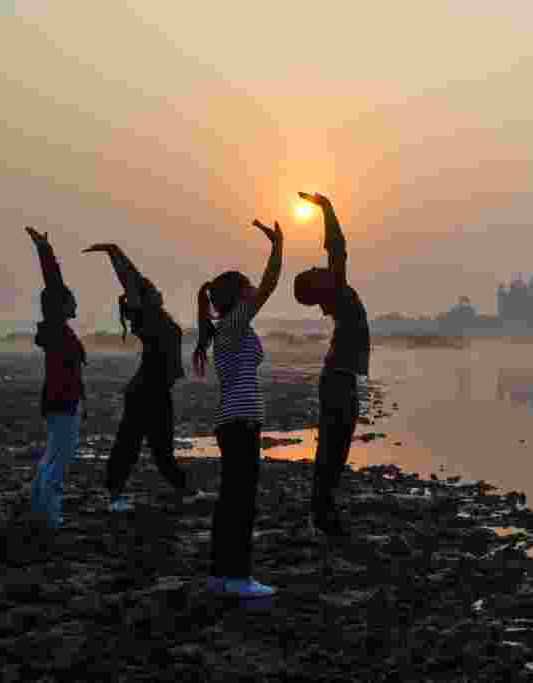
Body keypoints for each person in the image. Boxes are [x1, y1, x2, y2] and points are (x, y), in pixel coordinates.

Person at [193, 219, 283, 599]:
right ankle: (237, 578)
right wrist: (278, 247)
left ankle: (221, 574)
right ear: (238, 296)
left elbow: (262, 289)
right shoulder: (234, 322)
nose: (253, 293)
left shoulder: (230, 326)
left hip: (235, 420)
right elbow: (271, 285)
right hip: (239, 421)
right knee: (240, 502)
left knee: (233, 499)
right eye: (247, 289)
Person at [83, 243, 209, 512]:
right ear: (145, 298)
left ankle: (185, 490)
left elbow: (137, 283)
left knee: (160, 450)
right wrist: (114, 252)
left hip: (156, 391)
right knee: (128, 446)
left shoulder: (157, 316)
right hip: (145, 393)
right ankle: (115, 497)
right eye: (153, 290)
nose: (158, 291)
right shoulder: (146, 315)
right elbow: (132, 280)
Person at [293, 193, 370, 536]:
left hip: (339, 377)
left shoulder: (335, 293)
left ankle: (322, 511)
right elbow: (337, 247)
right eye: (314, 271)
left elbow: (336, 252)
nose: (318, 266)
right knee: (333, 450)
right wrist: (326, 208)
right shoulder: (336, 289)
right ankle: (322, 514)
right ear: (318, 285)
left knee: (334, 449)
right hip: (338, 380)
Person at [26, 226, 87, 530]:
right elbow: (53, 285)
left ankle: (40, 507)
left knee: (52, 456)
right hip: (62, 401)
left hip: (58, 400)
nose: (76, 302)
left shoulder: (57, 331)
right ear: (61, 306)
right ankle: (49, 516)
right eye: (71, 299)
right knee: (59, 460)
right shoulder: (56, 329)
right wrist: (45, 251)